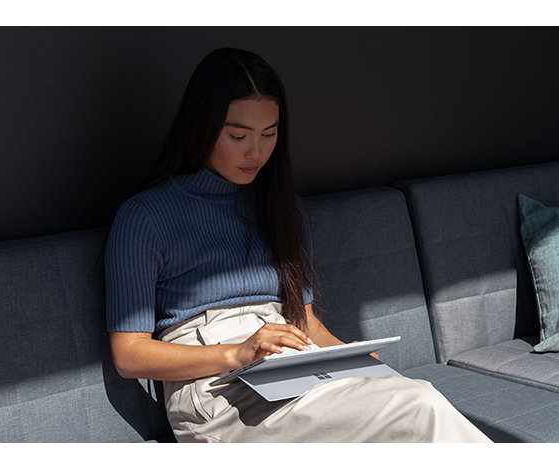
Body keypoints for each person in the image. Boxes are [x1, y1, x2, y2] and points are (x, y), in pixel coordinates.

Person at [104, 47, 492, 443]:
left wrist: (353, 359)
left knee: (410, 400)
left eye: (269, 134)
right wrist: (237, 353)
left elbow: (304, 322)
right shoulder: (145, 217)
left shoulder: (280, 207)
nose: (256, 152)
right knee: (418, 406)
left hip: (290, 366)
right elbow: (129, 353)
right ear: (202, 127)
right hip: (217, 393)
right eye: (238, 135)